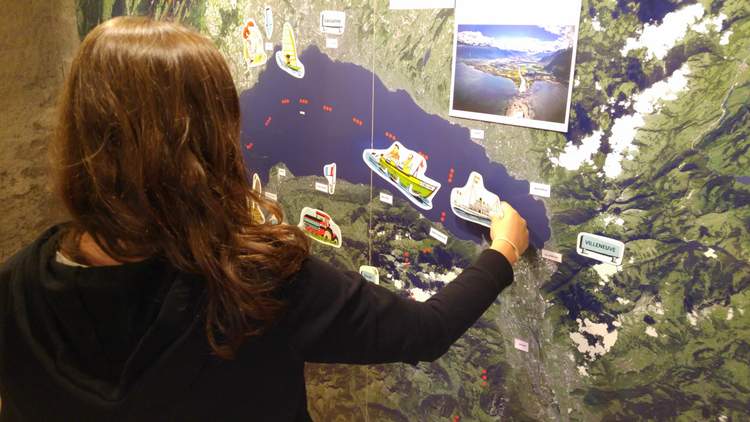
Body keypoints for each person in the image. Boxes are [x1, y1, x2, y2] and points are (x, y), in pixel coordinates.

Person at [0, 17, 529, 421]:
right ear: (211, 135)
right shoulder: (256, 282)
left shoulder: (16, 288)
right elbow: (422, 333)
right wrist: (502, 252)